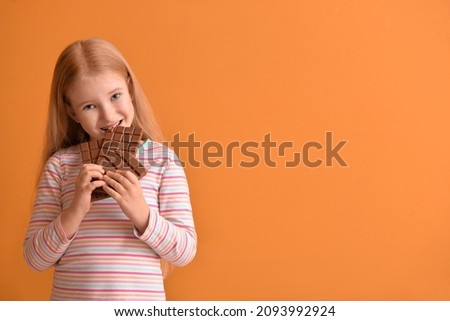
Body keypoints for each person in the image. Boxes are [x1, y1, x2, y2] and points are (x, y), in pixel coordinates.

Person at [23, 38, 197, 300]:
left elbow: (184, 253)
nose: (107, 116)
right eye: (89, 106)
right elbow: (34, 259)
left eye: (115, 96)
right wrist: (75, 210)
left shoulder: (163, 162)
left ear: (130, 89)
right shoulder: (61, 166)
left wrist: (142, 214)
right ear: (72, 112)